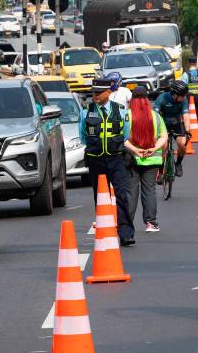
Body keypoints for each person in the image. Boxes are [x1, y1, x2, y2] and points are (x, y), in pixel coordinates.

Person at [78, 77, 135, 246]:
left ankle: (126, 234)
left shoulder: (121, 111)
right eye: (93, 92)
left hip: (116, 159)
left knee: (123, 196)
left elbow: (125, 135)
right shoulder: (86, 112)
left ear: (108, 93)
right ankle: (105, 231)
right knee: (100, 198)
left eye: (98, 92)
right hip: (96, 161)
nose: (95, 95)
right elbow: (83, 136)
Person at [124, 86, 168, 233]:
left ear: (132, 101)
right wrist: (154, 149)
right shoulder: (155, 116)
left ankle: (127, 223)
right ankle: (151, 223)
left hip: (132, 159)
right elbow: (164, 136)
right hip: (152, 160)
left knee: (131, 192)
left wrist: (136, 150)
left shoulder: (127, 116)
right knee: (149, 191)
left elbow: (122, 139)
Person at [153, 80, 190, 178]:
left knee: (182, 144)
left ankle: (178, 163)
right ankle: (160, 171)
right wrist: (156, 131)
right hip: (163, 125)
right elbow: (155, 116)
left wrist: (187, 131)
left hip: (177, 124)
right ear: (175, 94)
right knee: (163, 146)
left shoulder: (184, 100)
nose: (184, 97)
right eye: (182, 95)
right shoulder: (162, 98)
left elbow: (186, 116)